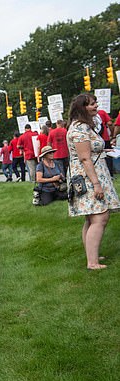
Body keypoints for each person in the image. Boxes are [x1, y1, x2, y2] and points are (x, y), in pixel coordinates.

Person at [66, 94, 120, 270]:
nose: (96, 105)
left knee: (92, 217)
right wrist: (96, 184)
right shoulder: (79, 129)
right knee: (100, 216)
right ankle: (92, 263)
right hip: (88, 177)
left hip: (92, 173)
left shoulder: (84, 127)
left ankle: (93, 255)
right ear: (83, 108)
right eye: (92, 104)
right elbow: (84, 158)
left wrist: (104, 149)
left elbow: (89, 150)